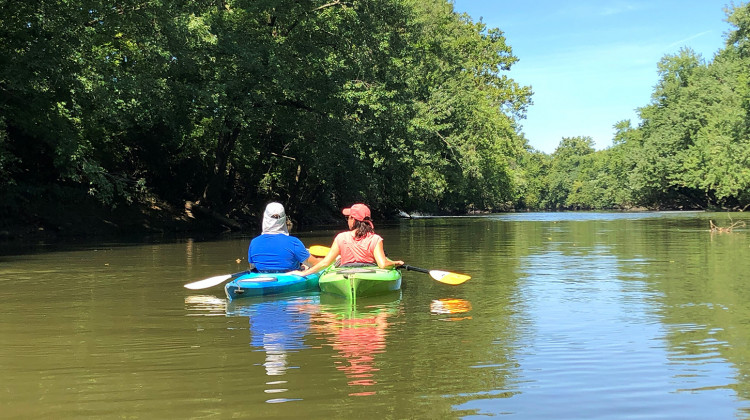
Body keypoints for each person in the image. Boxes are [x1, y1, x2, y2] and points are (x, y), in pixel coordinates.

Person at [290, 203, 404, 276]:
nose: (347, 220)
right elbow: (383, 264)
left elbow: (325, 263)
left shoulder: (341, 237)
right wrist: (396, 263)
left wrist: (304, 273)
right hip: (369, 271)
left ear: (353, 220)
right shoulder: (375, 239)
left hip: (344, 271)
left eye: (348, 218)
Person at [248, 202, 315, 273]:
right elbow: (317, 265)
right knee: (306, 266)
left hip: (263, 280)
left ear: (265, 218)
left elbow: (253, 268)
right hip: (290, 279)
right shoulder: (294, 242)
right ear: (283, 219)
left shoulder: (254, 242)